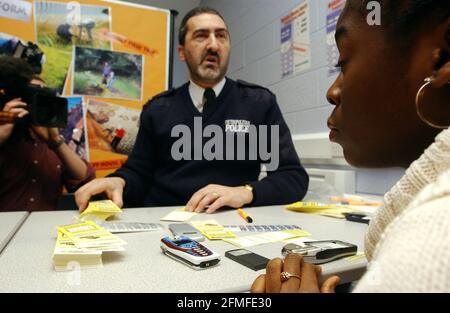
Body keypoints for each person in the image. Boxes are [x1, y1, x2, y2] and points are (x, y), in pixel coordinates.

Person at [251, 0, 450, 293]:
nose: (332, 91)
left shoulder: (429, 248)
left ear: (442, 57)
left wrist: (246, 190)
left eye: (343, 62)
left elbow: (292, 176)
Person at [75, 7, 309, 213]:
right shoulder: (158, 109)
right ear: (181, 52)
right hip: (162, 223)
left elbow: (292, 178)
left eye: (221, 36)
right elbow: (139, 172)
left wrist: (246, 192)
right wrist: (120, 182)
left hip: (231, 226)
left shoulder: (258, 103)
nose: (213, 45)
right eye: (201, 36)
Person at [0, 56, 95, 212]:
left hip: (43, 229)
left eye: (42, 97)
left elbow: (85, 180)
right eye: (29, 96)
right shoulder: (7, 137)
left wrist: (55, 141)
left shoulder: (54, 140)